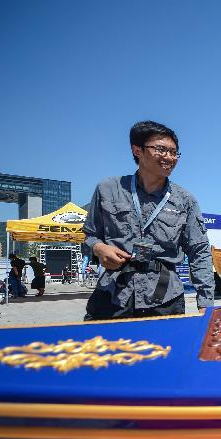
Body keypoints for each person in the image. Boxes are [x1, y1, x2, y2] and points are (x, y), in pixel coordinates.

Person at [82, 120, 214, 320]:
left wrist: (205, 304)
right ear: (137, 150)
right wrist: (99, 248)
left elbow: (200, 252)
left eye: (174, 152)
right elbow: (90, 236)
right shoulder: (108, 189)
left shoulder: (185, 200)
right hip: (114, 294)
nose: (169, 157)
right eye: (161, 149)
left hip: (165, 299)